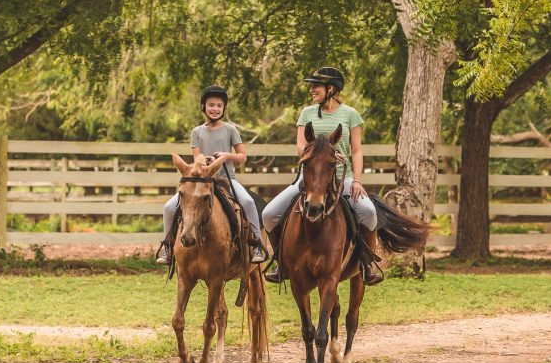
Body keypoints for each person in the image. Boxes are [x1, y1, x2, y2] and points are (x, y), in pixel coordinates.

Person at [262, 67, 383, 285]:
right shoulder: (307, 113)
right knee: (269, 214)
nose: (311, 90)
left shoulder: (350, 114)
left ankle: (366, 264)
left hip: (340, 179)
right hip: (308, 179)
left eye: (315, 86)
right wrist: (323, 154)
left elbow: (356, 151)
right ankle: (281, 262)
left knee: (368, 212)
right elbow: (300, 147)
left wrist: (357, 180)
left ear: (331, 88)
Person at [156, 85, 266, 265]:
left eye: (219, 106)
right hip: (202, 182)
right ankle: (167, 247)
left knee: (248, 202)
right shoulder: (196, 132)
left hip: (227, 181)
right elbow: (196, 157)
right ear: (203, 107)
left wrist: (226, 155)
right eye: (211, 105)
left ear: (223, 109)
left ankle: (257, 244)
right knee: (169, 207)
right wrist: (203, 159)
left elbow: (242, 157)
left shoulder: (230, 130)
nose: (215, 109)